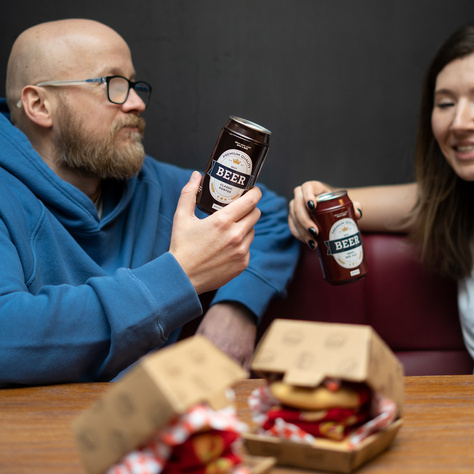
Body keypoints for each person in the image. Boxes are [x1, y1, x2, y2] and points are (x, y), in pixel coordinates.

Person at [0, 19, 299, 386]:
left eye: (135, 85)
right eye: (113, 85)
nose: (137, 103)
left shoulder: (150, 186)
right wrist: (182, 275)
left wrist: (236, 307)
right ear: (39, 105)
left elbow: (267, 213)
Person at [288, 23, 474, 363]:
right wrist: (309, 200)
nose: (460, 122)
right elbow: (334, 201)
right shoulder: (450, 205)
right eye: (446, 103)